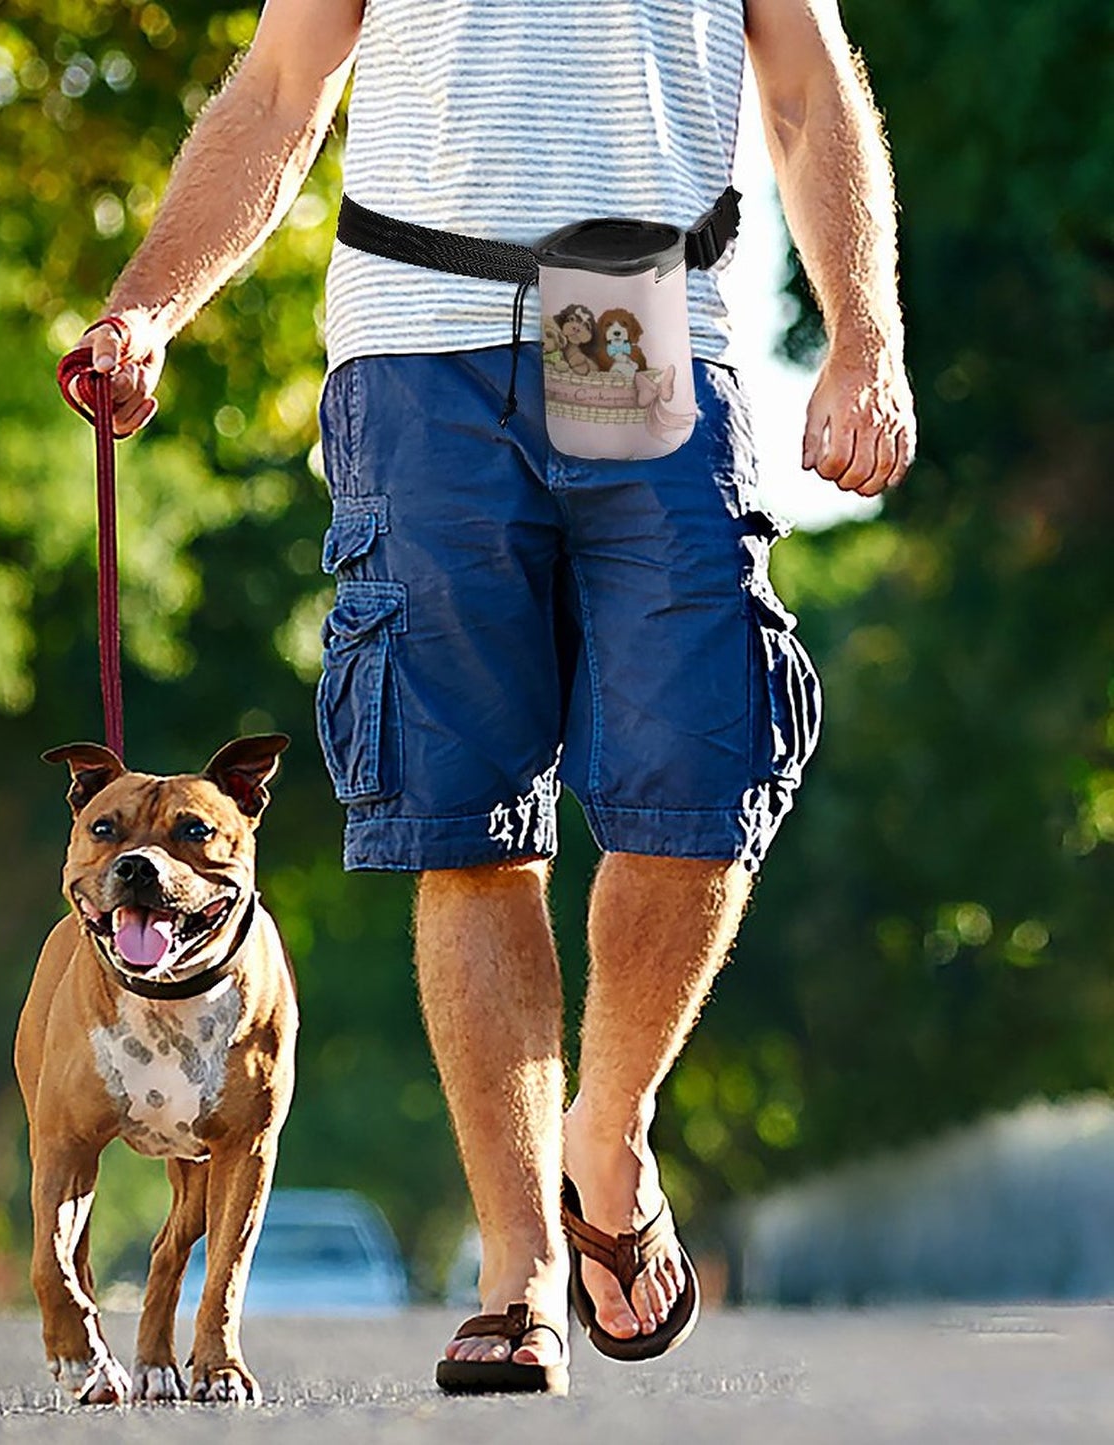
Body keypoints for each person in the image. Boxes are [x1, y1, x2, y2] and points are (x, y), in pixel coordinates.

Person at [67, 0, 915, 1394]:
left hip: (629, 316)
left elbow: (811, 91)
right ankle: (519, 1268)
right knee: (467, 825)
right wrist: (149, 302)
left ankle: (607, 1134)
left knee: (693, 773)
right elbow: (283, 87)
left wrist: (862, 337)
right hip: (420, 342)